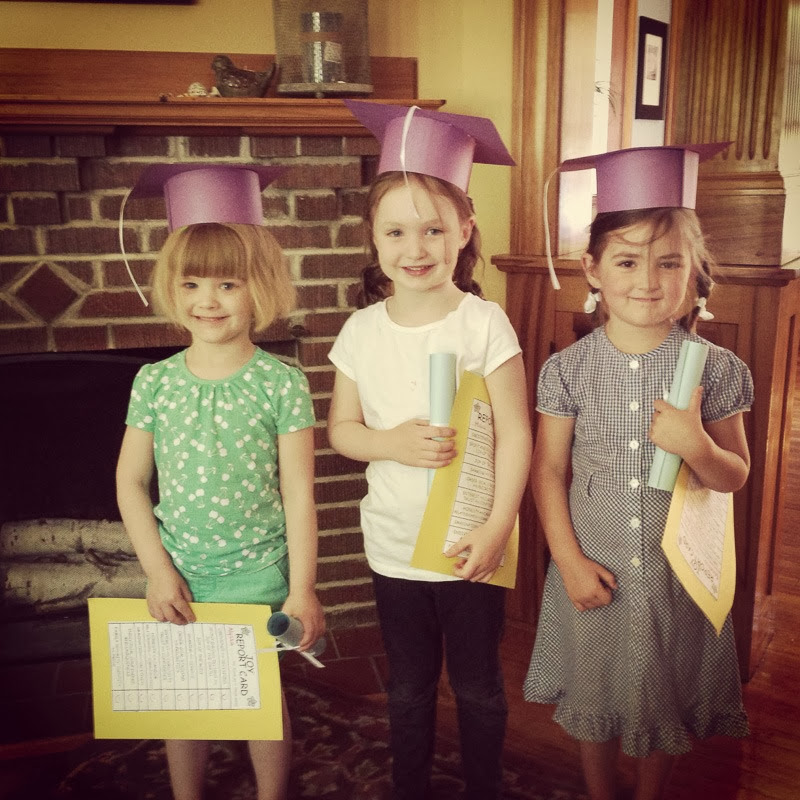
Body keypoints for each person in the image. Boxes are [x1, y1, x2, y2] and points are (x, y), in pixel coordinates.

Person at [524, 144, 752, 800]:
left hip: (678, 577)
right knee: (595, 690)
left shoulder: (717, 369)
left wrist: (696, 446)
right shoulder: (567, 369)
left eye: (669, 262)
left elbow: (734, 475)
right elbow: (548, 470)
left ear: (694, 271)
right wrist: (568, 561)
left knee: (663, 696)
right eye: (627, 261)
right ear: (592, 268)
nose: (648, 280)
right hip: (595, 567)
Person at [327, 100, 532, 800]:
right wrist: (389, 442)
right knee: (409, 685)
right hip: (393, 545)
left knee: (477, 684)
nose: (415, 248)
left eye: (434, 229)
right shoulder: (360, 332)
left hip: (470, 542)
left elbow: (516, 433)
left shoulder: (483, 324)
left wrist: (498, 526)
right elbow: (342, 430)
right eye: (396, 231)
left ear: (464, 230)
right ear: (373, 237)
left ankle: (484, 788)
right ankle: (408, 785)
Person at [115, 164, 325, 800]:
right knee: (186, 704)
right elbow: (130, 482)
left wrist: (303, 587)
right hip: (180, 570)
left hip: (258, 573)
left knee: (258, 699)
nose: (207, 299)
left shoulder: (281, 383)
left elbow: (299, 494)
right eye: (192, 282)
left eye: (228, 283)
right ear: (172, 287)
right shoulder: (154, 382)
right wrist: (158, 571)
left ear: (260, 287)